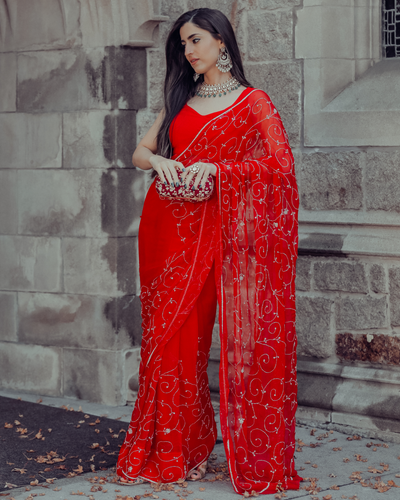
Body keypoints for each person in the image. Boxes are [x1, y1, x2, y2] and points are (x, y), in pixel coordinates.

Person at [116, 7, 302, 495]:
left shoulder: (253, 101)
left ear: (222, 40)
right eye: (182, 44)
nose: (188, 51)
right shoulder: (180, 98)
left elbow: (280, 164)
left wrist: (220, 171)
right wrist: (159, 161)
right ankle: (180, 448)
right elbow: (139, 152)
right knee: (171, 340)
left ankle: (250, 453)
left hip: (222, 233)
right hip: (165, 228)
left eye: (195, 40)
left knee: (238, 337)